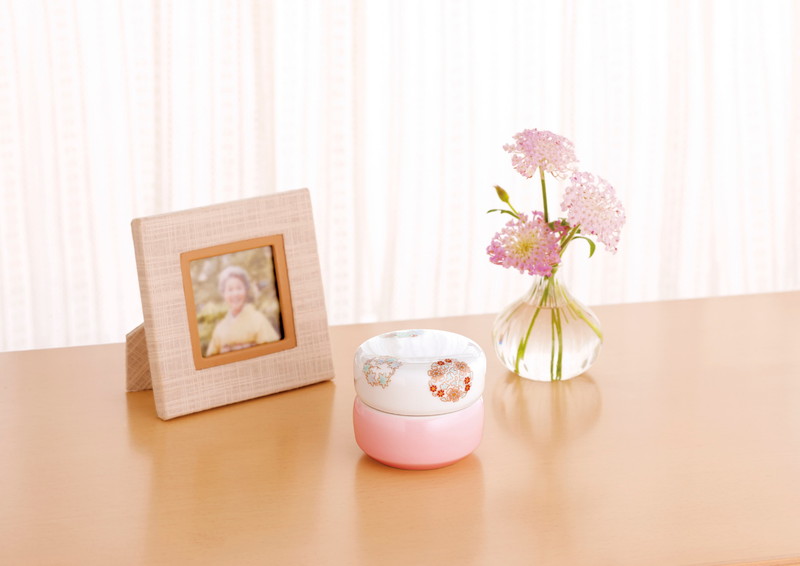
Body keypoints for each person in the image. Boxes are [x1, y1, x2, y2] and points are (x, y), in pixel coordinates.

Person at [205, 265, 280, 356]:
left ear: (246, 290)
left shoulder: (258, 320)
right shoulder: (220, 328)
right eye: (230, 289)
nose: (235, 294)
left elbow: (274, 351)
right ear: (224, 294)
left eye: (239, 288)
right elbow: (211, 357)